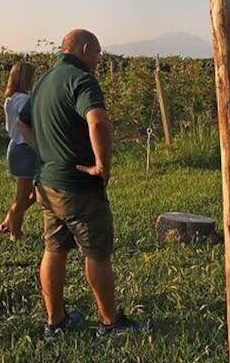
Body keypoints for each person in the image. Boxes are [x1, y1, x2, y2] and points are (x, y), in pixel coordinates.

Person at [17, 29, 150, 338]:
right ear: (85, 49)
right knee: (97, 253)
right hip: (79, 185)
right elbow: (98, 120)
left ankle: (56, 321)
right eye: (99, 54)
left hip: (49, 184)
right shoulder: (81, 79)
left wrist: (45, 151)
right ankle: (110, 323)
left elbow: (22, 123)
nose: (100, 61)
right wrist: (103, 164)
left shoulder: (44, 80)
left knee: (54, 249)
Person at [0, 61, 38, 241]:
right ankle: (15, 232)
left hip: (16, 145)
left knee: (36, 192)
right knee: (22, 196)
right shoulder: (24, 100)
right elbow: (26, 126)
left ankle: (10, 220)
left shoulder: (10, 99)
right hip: (26, 148)